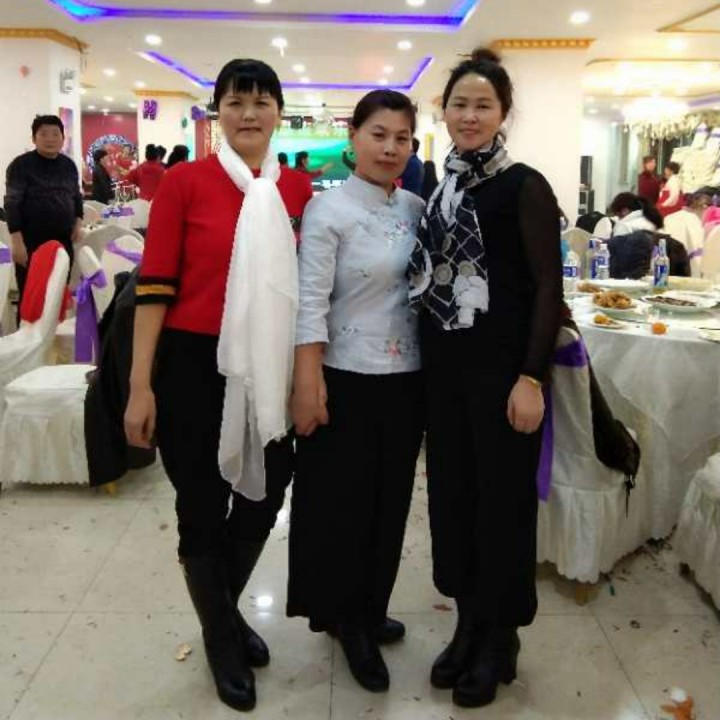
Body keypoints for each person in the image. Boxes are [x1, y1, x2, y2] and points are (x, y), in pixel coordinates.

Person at [124, 58, 313, 712]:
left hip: (272, 362)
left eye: (262, 102)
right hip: (192, 365)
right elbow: (153, 287)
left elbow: (308, 290)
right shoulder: (185, 183)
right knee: (201, 501)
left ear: (279, 113)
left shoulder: (296, 191)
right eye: (236, 101)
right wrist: (140, 386)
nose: (249, 113)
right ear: (218, 112)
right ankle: (222, 638)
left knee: (267, 491)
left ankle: (221, 617)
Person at [407, 47, 563, 708]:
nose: (469, 116)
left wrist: (532, 378)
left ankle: (501, 639)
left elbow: (548, 288)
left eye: (483, 105)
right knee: (455, 502)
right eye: (459, 104)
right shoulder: (440, 188)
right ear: (443, 111)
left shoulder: (523, 185)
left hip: (503, 377)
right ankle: (469, 625)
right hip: (445, 376)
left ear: (503, 114)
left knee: (502, 507)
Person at [287, 89, 425, 693]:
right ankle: (347, 619)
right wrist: (308, 381)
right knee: (342, 507)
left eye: (402, 138)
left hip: (408, 380)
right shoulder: (329, 210)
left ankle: (371, 606)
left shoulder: (418, 208)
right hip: (343, 377)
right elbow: (309, 301)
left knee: (390, 504)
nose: (390, 148)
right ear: (354, 139)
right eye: (378, 135)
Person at [4, 114, 83, 305]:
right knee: (31, 297)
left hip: (63, 240)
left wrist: (78, 221)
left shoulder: (68, 165)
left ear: (63, 139)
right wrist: (17, 242)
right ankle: (27, 325)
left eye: (55, 134)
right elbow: (12, 203)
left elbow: (76, 195)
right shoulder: (21, 165)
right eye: (44, 134)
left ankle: (56, 325)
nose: (50, 139)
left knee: (58, 296)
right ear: (34, 138)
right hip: (30, 241)